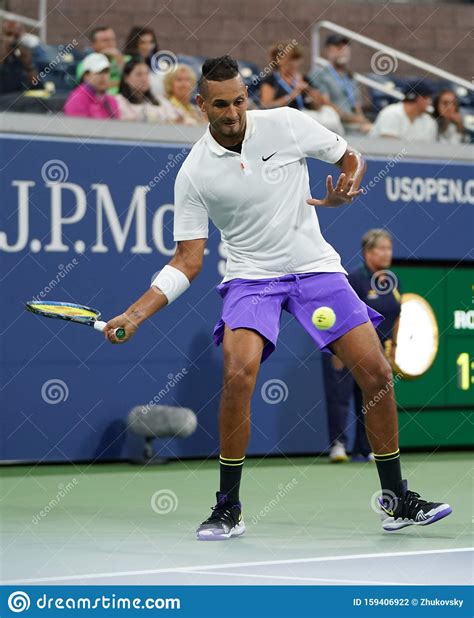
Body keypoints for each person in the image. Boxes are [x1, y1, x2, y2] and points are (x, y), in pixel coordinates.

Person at [104, 55, 452, 540]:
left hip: (315, 267)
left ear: (247, 97)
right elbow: (187, 260)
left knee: (375, 371)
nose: (232, 113)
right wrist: (137, 314)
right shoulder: (193, 175)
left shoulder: (286, 123)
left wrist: (348, 183)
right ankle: (228, 506)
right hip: (251, 278)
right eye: (220, 105)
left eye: (239, 101)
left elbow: (350, 156)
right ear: (200, 105)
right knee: (238, 374)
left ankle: (395, 500)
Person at [323, 229, 402, 463]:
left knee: (371, 397)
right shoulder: (355, 279)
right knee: (340, 397)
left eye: (390, 248)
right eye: (382, 249)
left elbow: (398, 314)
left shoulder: (393, 282)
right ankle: (338, 445)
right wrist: (337, 350)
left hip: (377, 352)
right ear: (368, 252)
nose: (388, 254)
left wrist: (394, 345)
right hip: (348, 350)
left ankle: (365, 447)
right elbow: (341, 313)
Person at [307, 34, 371, 133]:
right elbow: (326, 104)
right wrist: (353, 119)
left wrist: (362, 121)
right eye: (338, 47)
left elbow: (357, 106)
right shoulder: (319, 74)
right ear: (328, 50)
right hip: (334, 126)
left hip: (354, 126)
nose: (343, 51)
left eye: (346, 47)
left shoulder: (351, 77)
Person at [115, 58, 182, 123]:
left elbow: (178, 119)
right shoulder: (118, 102)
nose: (144, 79)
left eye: (147, 74)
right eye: (139, 74)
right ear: (126, 78)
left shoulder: (160, 100)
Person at [370, 83, 437, 141]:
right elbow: (389, 149)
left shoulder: (429, 121)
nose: (430, 102)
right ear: (419, 99)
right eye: (428, 98)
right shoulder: (391, 114)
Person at [64, 53, 119, 119]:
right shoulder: (77, 99)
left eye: (106, 71)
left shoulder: (112, 100)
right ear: (86, 75)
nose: (103, 76)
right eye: (98, 72)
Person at [76, 26, 125, 94]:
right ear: (93, 44)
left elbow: (135, 85)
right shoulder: (85, 64)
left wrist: (120, 61)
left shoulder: (126, 59)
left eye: (112, 39)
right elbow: (91, 86)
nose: (110, 43)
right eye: (105, 40)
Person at [123, 26, 164, 97]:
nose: (147, 47)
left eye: (150, 42)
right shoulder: (125, 63)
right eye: (142, 43)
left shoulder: (158, 66)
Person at [0, 19, 37, 95]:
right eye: (8, 34)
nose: (13, 39)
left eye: (16, 36)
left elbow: (36, 85)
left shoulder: (20, 56)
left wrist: (29, 66)